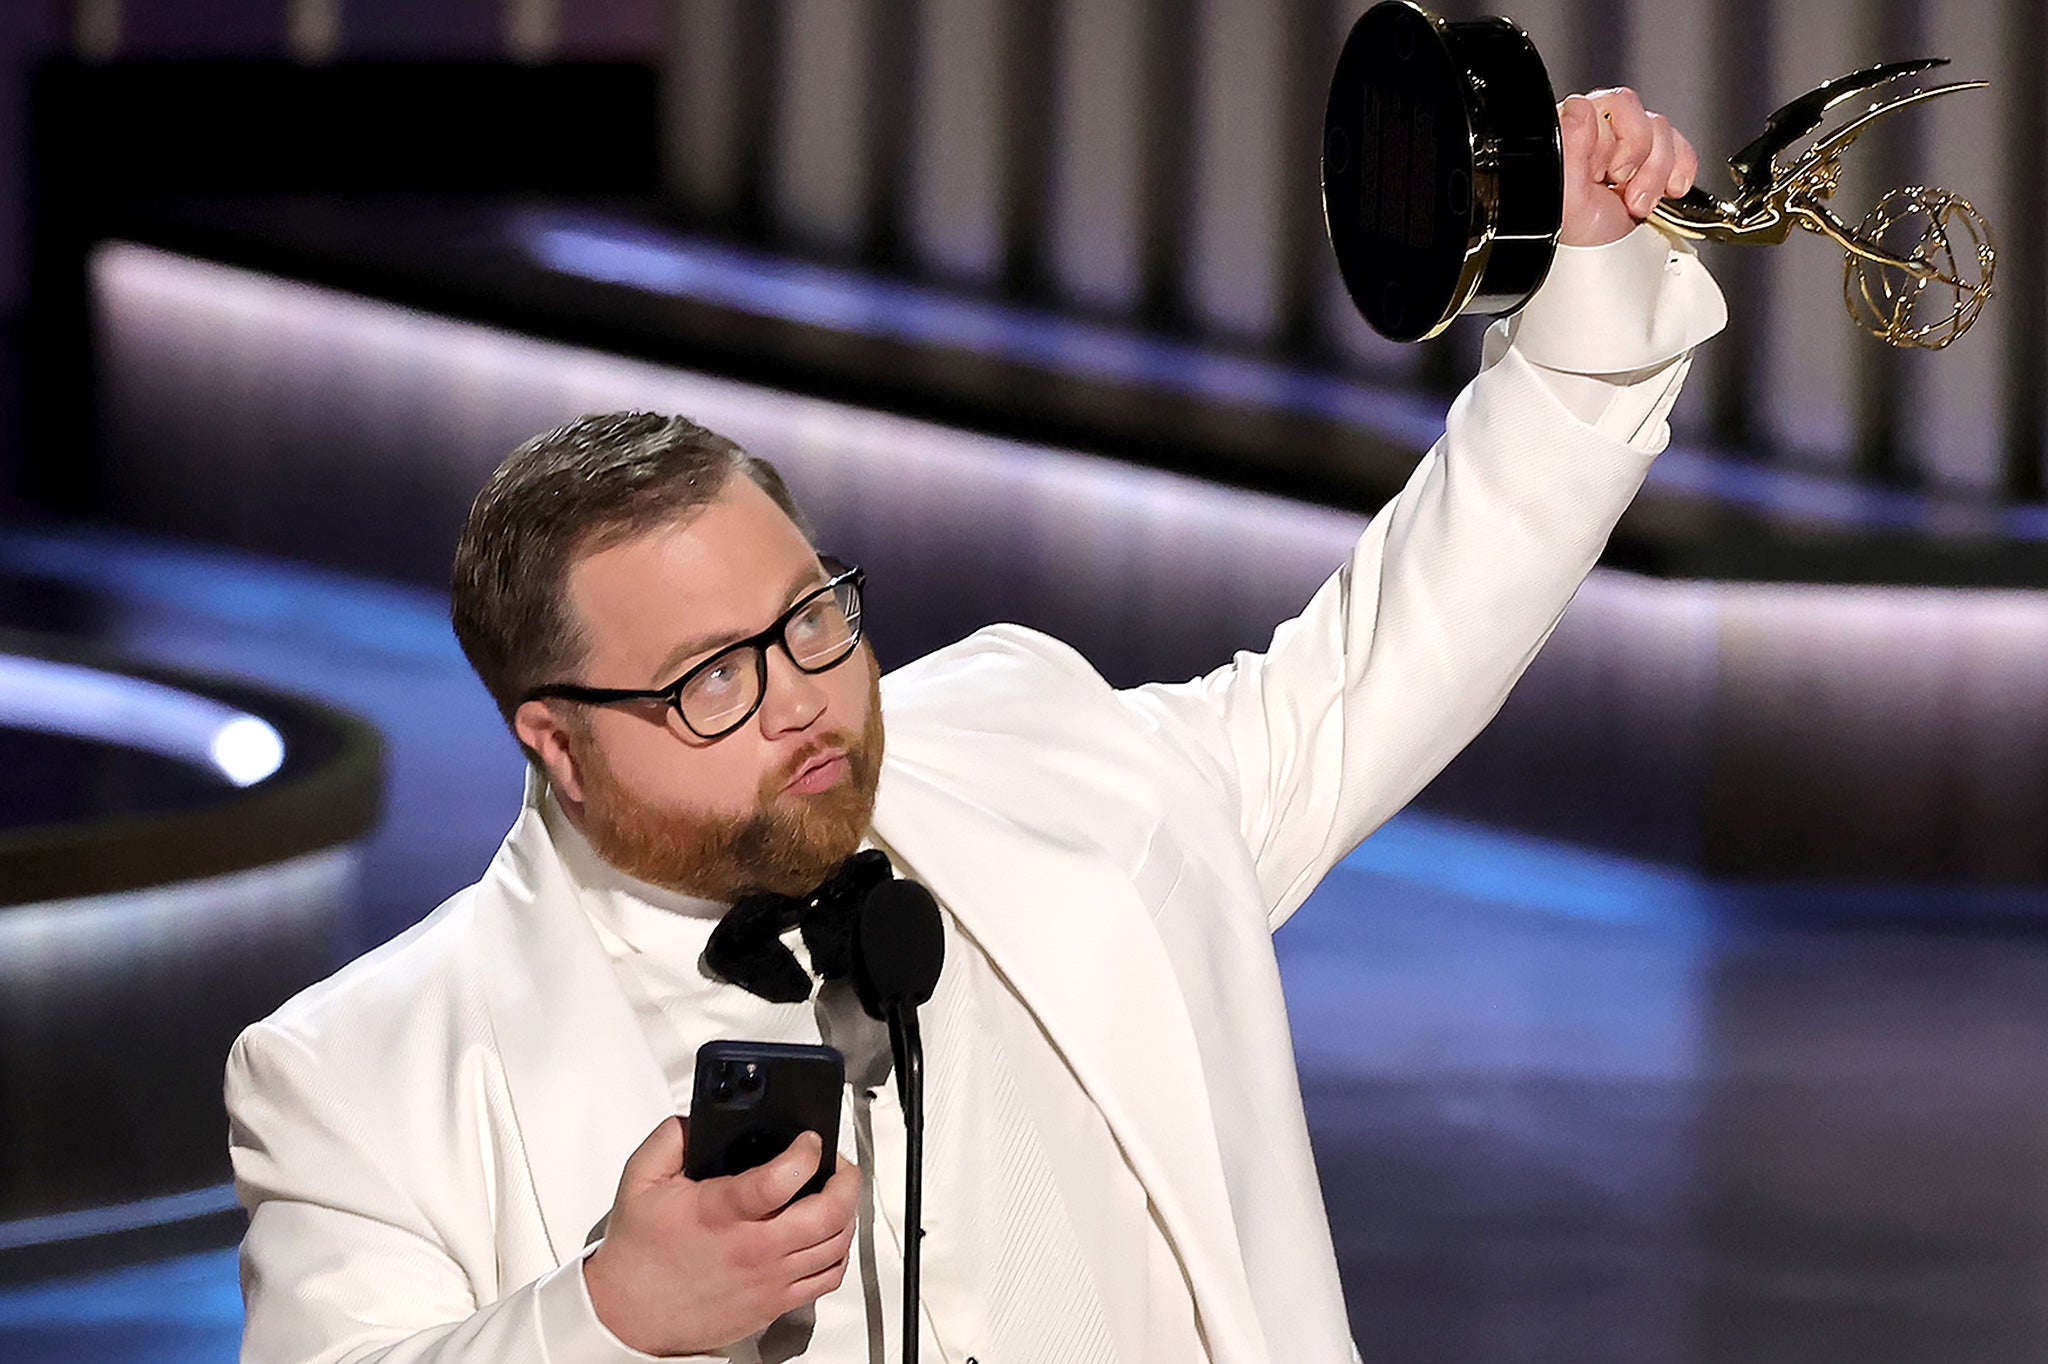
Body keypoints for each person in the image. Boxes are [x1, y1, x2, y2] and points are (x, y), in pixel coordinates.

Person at [226, 88, 1724, 1364]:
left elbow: (1381, 665)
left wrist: (1581, 310)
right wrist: (608, 1318)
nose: (803, 697)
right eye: (707, 683)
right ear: (554, 741)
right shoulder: (358, 1075)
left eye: (813, 617)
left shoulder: (1036, 760)